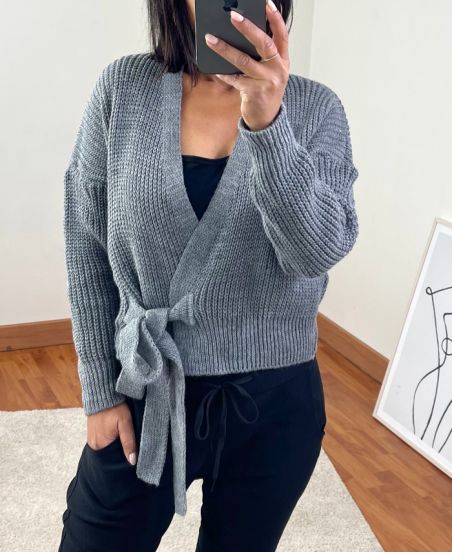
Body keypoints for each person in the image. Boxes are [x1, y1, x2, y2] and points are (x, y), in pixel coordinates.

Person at [58, 0, 360, 550]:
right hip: (147, 385)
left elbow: (314, 252)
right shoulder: (123, 89)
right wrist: (99, 391)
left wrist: (268, 125)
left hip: (274, 405)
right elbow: (86, 244)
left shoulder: (316, 109)